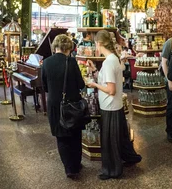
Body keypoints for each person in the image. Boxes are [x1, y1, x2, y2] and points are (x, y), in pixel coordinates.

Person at [86, 31, 141, 180]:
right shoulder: (114, 59)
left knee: (110, 141)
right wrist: (95, 71)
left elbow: (111, 89)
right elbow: (109, 81)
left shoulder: (109, 62)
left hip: (109, 106)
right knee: (120, 137)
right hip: (115, 105)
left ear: (99, 44)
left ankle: (112, 169)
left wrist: (94, 84)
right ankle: (128, 158)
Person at [42, 34, 86, 179]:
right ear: (69, 48)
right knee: (75, 134)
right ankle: (76, 164)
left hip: (55, 104)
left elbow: (45, 87)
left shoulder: (46, 62)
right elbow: (81, 84)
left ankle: (69, 168)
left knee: (61, 136)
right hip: (73, 104)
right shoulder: (71, 62)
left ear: (55, 46)